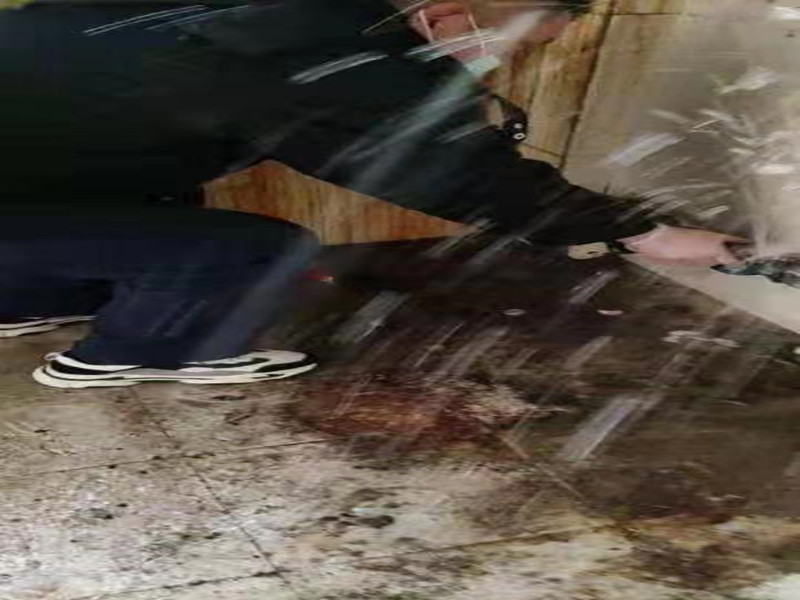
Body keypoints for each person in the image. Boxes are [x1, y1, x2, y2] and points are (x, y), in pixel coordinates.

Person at [0, 0, 742, 389]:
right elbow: (447, 171)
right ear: (445, 13)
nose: (509, 55)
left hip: (28, 174)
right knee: (263, 250)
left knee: (159, 202)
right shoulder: (305, 54)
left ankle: (24, 297)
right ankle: (134, 353)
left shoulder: (259, 17)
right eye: (516, 38)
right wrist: (644, 231)